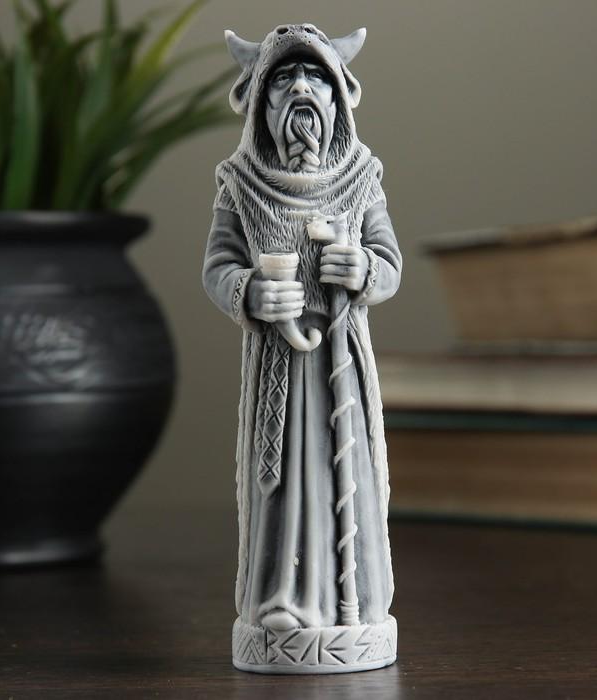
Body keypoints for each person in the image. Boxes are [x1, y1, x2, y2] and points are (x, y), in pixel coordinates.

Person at [203, 23, 402, 673]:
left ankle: (356, 603)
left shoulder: (362, 176)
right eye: (284, 79)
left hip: (342, 361)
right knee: (283, 483)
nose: (301, 90)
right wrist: (251, 292)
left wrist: (361, 268)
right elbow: (218, 266)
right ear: (261, 100)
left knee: (348, 477)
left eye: (315, 77)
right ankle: (280, 600)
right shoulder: (239, 183)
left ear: (338, 98)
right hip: (278, 370)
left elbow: (389, 263)